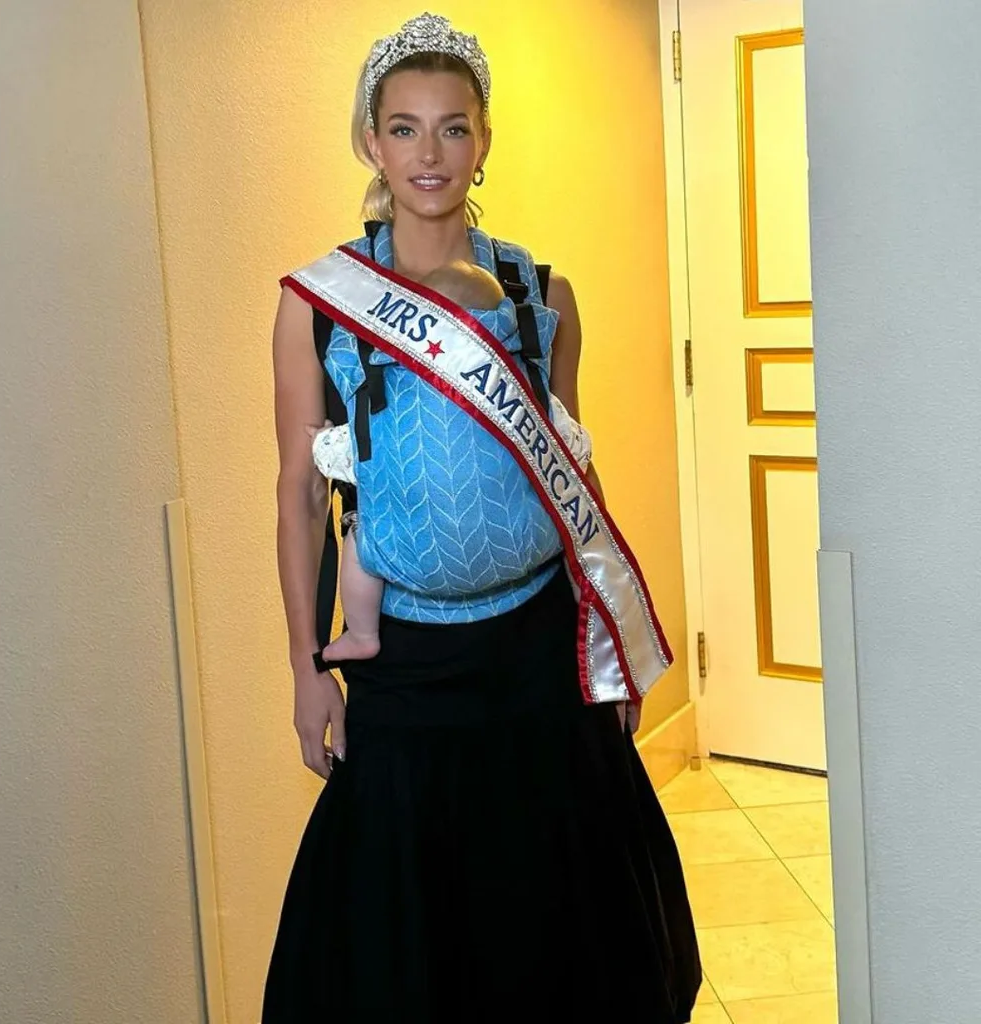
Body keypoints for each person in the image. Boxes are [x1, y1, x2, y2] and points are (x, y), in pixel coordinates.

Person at [264, 13, 700, 1022]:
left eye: (452, 128)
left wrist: (611, 646)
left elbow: (576, 484)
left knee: (570, 939)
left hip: (542, 655)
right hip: (405, 667)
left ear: (484, 140)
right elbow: (296, 492)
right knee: (415, 951)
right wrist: (303, 669)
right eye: (405, 128)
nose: (430, 153)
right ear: (371, 141)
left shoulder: (539, 294)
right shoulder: (322, 306)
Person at [307, 259, 594, 663]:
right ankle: (592, 607)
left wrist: (320, 441)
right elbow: (574, 452)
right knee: (568, 526)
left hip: (417, 565)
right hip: (529, 550)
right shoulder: (524, 389)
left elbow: (351, 456)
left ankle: (361, 633)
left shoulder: (402, 400)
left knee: (361, 532)